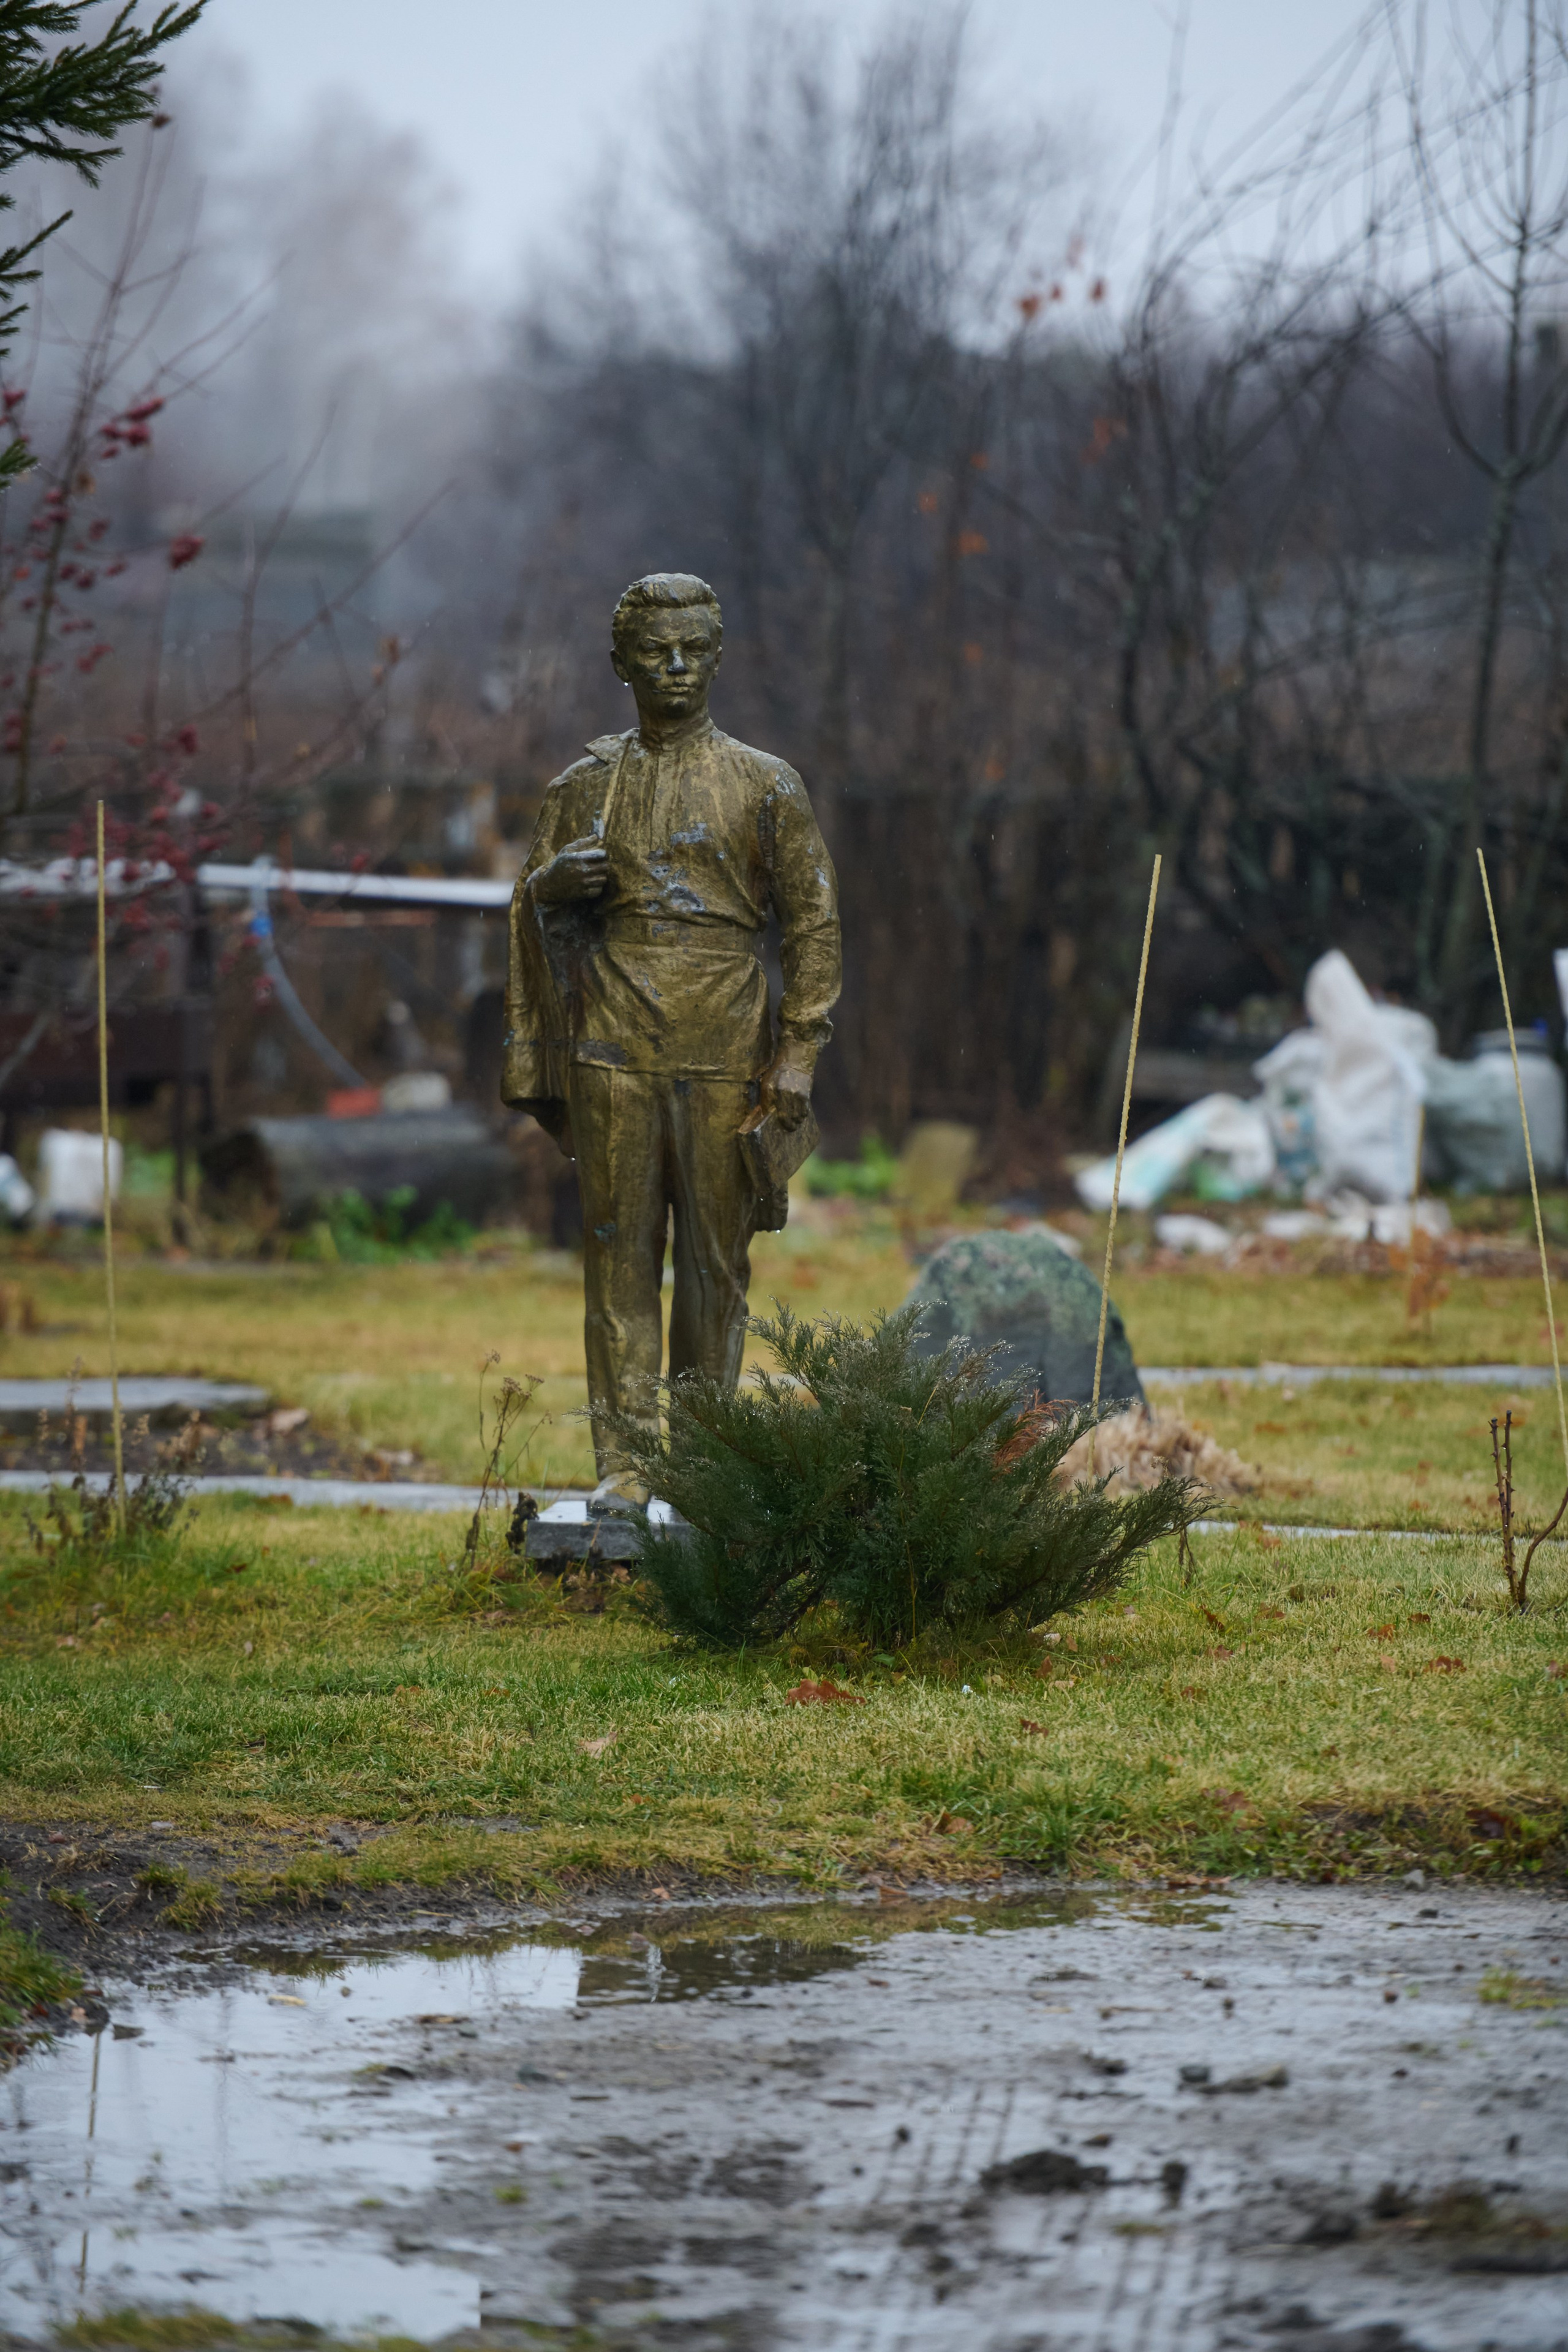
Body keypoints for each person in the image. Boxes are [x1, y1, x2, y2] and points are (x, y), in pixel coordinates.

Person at [502, 572, 841, 1510]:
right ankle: (625, 1461)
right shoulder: (581, 790)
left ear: (720, 656)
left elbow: (813, 927)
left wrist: (800, 1052)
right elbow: (527, 911)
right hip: (611, 1047)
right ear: (621, 664)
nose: (677, 667)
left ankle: (699, 1460)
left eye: (693, 648)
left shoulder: (766, 784)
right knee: (617, 1254)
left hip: (727, 1046)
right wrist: (549, 894)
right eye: (655, 651)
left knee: (713, 1265)